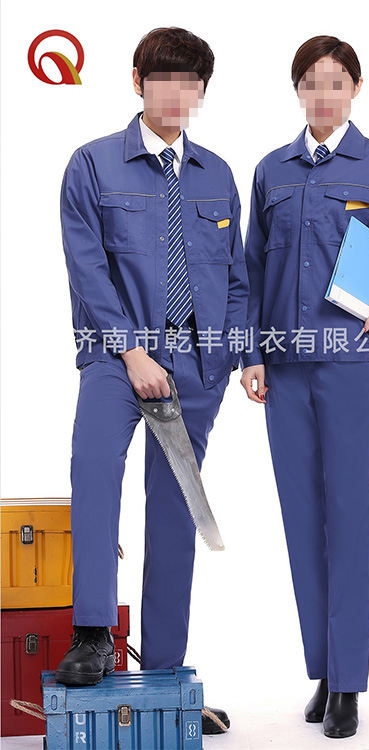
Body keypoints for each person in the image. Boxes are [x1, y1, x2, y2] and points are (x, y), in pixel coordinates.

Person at [240, 35, 369, 739]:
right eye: (311, 82)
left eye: (336, 81)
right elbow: (252, 268)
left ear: (356, 88)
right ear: (297, 90)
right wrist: (250, 354)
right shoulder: (271, 170)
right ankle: (325, 671)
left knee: (350, 518)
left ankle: (350, 683)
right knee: (302, 521)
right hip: (284, 368)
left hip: (353, 365)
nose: (324, 94)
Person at [56, 26, 249, 735]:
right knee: (94, 473)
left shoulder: (217, 175)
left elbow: (236, 277)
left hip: (196, 367)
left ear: (200, 91)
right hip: (116, 356)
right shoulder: (92, 165)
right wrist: (133, 352)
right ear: (138, 81)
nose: (176, 93)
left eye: (189, 82)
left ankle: (166, 674)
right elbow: (88, 268)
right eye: (163, 78)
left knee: (173, 513)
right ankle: (92, 634)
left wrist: (230, 358)